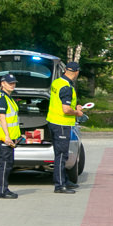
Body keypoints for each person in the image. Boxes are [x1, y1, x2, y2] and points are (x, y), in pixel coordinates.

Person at [47, 62, 84, 194]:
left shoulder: (57, 82)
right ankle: (60, 185)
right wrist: (77, 113)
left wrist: (75, 108)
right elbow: (66, 109)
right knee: (62, 155)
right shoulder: (67, 87)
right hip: (62, 124)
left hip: (53, 122)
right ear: (76, 72)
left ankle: (64, 179)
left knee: (60, 154)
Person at [0, 74, 21, 199]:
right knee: (5, 164)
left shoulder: (9, 99)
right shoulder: (2, 99)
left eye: (14, 83)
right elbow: (2, 118)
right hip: (4, 138)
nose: (12, 85)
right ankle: (2, 191)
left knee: (8, 164)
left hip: (9, 138)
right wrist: (7, 136)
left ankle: (4, 188)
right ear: (2, 83)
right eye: (10, 83)